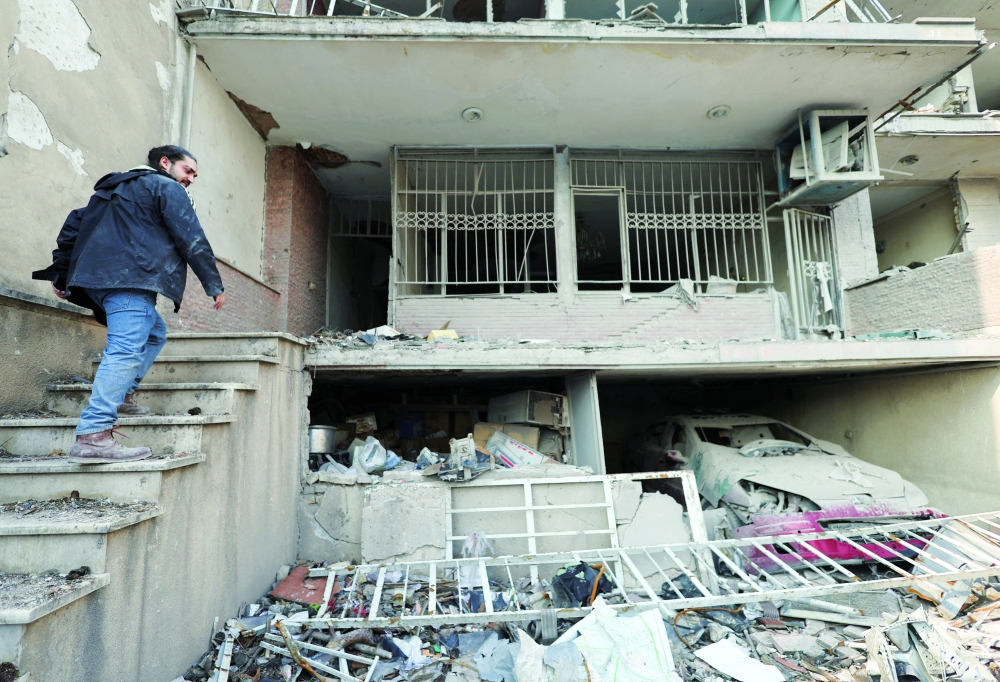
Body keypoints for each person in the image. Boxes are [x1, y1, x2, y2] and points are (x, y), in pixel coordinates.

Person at [33, 145, 226, 464]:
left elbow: (74, 225)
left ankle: (122, 393)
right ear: (166, 163)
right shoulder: (166, 186)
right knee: (124, 350)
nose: (191, 178)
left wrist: (61, 274)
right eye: (188, 170)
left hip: (100, 281)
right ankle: (94, 434)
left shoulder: (114, 188)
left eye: (193, 174)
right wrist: (213, 284)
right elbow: (191, 237)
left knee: (153, 333)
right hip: (131, 279)